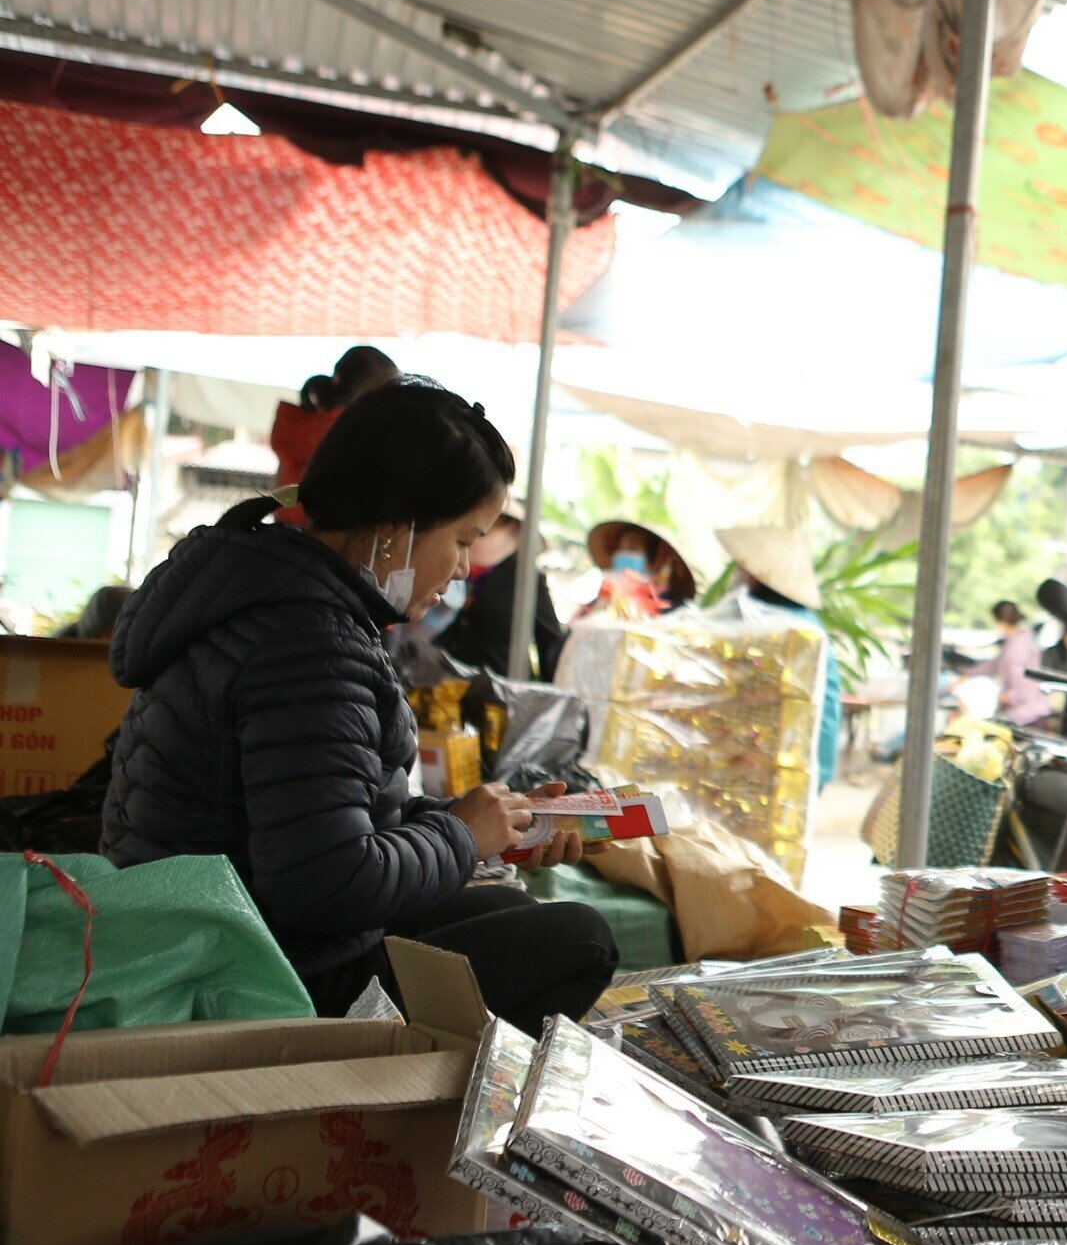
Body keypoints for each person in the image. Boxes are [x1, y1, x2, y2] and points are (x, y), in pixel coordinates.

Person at [103, 379, 620, 1032]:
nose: (464, 568)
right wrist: (461, 834)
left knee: (508, 915)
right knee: (581, 939)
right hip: (256, 978)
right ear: (396, 531)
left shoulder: (279, 602)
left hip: (242, 935)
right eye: (464, 539)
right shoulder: (309, 646)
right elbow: (324, 882)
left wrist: (500, 824)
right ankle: (388, 1119)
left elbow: (331, 820)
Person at [716, 526, 844, 789]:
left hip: (792, 764)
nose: (737, 574)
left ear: (758, 575)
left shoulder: (782, 628)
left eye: (742, 567)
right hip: (801, 762)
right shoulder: (794, 621)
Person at [272, 345, 399, 526]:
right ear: (368, 388)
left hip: (283, 527)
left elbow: (281, 484)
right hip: (318, 536)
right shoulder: (348, 431)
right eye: (389, 390)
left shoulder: (299, 425)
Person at [432, 512, 565, 679]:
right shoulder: (463, 573)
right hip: (450, 685)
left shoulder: (526, 579)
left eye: (483, 532)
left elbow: (550, 647)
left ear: (512, 529)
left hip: (497, 693)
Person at [578, 520, 696, 623]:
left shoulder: (676, 610)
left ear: (657, 558)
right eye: (619, 549)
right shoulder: (601, 600)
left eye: (632, 548)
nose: (622, 555)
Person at [967, 599, 1057, 732]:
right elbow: (995, 664)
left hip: (1026, 719)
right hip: (1029, 714)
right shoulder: (1018, 640)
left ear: (1000, 622)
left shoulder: (1017, 648)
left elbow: (1022, 690)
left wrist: (989, 698)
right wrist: (967, 676)